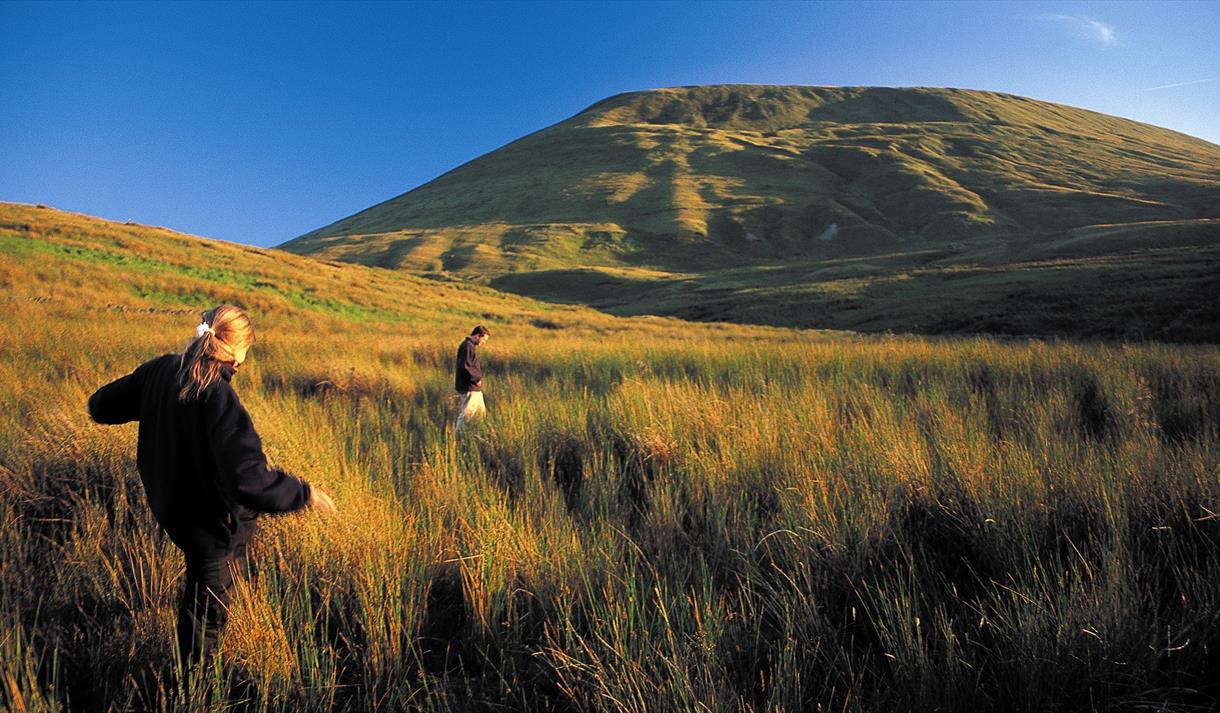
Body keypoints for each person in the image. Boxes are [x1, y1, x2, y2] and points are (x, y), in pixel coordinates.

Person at [87, 304, 337, 667]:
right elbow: (247, 479)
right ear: (237, 352)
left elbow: (101, 406)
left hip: (171, 508)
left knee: (214, 586)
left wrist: (155, 403)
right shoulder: (217, 393)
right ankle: (193, 687)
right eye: (246, 352)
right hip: (210, 526)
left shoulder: (162, 370)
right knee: (205, 620)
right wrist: (303, 493)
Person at [454, 325, 490, 432]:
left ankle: (477, 436)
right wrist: (476, 379)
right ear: (478, 336)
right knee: (466, 415)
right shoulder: (467, 347)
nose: (484, 342)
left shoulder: (469, 346)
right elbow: (465, 367)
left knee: (481, 414)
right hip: (469, 388)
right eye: (484, 339)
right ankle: (458, 437)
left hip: (474, 389)